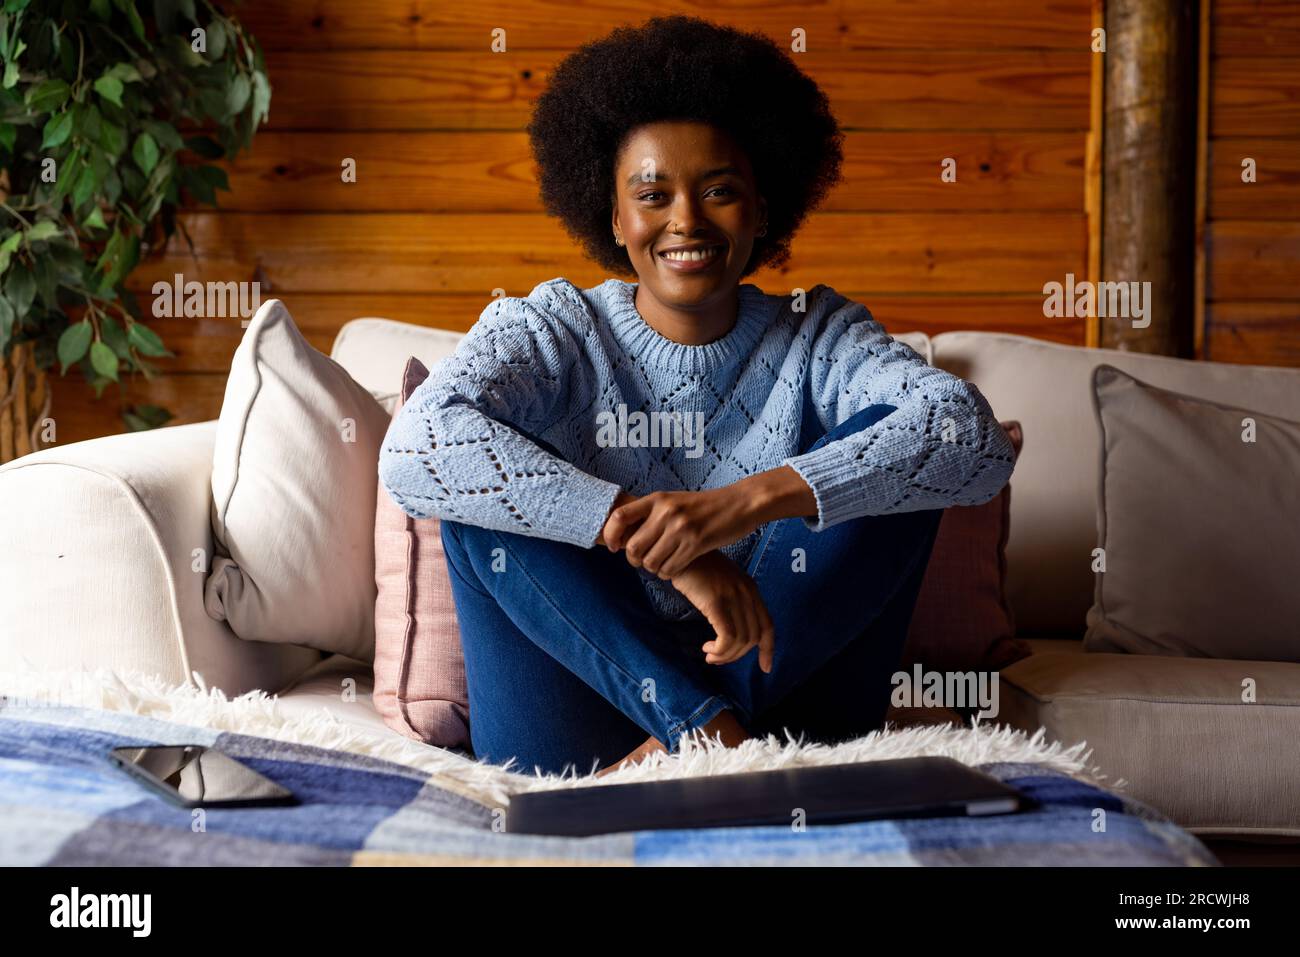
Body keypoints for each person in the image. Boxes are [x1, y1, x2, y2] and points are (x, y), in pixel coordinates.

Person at [378, 15, 1016, 778]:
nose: (685, 219)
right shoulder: (553, 327)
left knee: (897, 449)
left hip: (783, 686)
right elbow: (414, 449)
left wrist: (737, 505)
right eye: (653, 194)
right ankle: (705, 729)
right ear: (614, 217)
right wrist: (654, 541)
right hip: (584, 704)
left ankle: (705, 729)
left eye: (718, 190)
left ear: (763, 209)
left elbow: (970, 440)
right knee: (481, 488)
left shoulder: (820, 335)